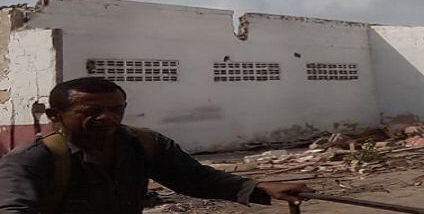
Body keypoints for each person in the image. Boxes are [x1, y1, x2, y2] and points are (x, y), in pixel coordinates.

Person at [0, 77, 309, 214]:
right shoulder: (31, 160)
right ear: (56, 116)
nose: (107, 118)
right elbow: (13, 208)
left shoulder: (143, 143)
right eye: (90, 111)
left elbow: (196, 179)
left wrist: (259, 187)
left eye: (116, 109)